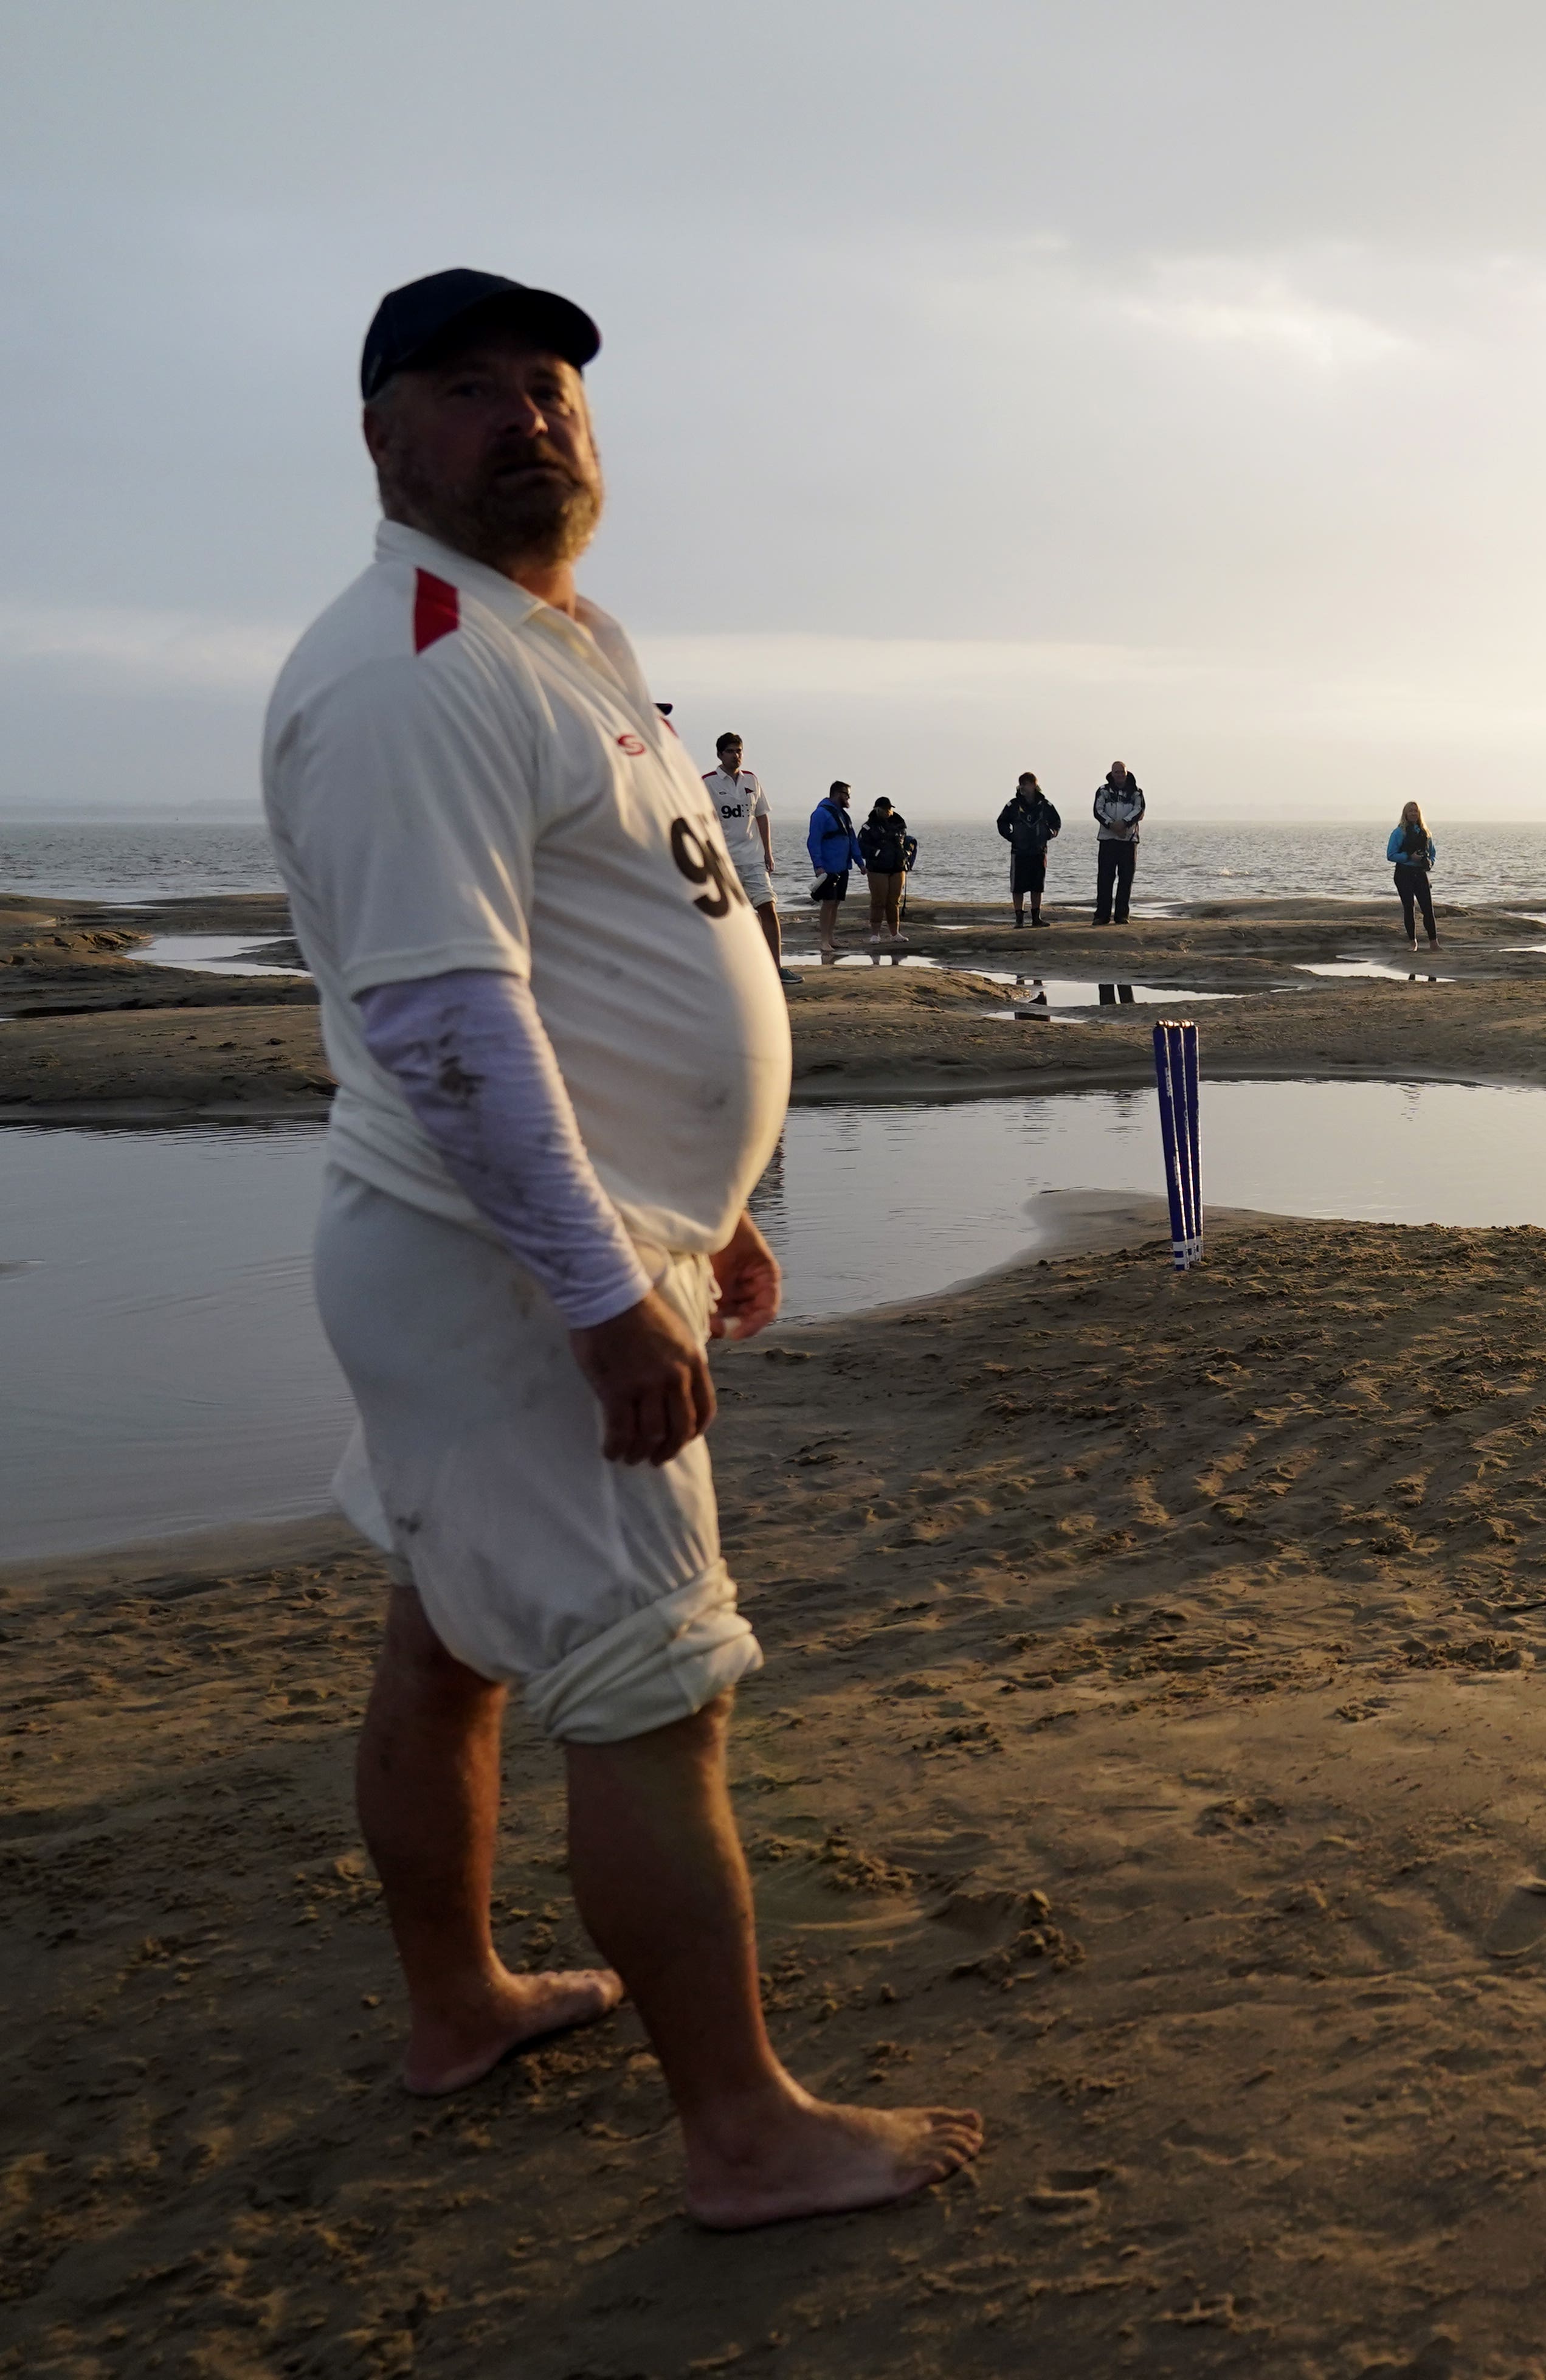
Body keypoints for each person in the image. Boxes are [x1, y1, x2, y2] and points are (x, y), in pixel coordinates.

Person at [263, 266, 979, 2228]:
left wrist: (713, 1203)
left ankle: (459, 2006)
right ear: (382, 438)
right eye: (472, 389)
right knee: (658, 1682)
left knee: (452, 1637)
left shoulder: (556, 639)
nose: (531, 418)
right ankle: (746, 2129)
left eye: (556, 387)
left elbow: (601, 964)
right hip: (502, 1271)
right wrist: (600, 1296)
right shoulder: (416, 664)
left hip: (533, 1245)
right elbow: (445, 1019)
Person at [699, 733, 782, 970]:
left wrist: (768, 852)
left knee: (768, 908)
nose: (736, 756)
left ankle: (775, 967)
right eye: (731, 751)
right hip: (725, 861)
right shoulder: (708, 783)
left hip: (753, 858)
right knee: (728, 916)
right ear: (720, 755)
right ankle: (729, 969)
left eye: (739, 751)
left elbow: (762, 816)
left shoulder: (751, 781)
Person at [802, 779, 859, 963]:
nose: (848, 798)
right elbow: (813, 842)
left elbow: (852, 840)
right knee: (828, 903)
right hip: (827, 868)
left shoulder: (844, 816)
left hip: (843, 866)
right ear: (837, 794)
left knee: (836, 903)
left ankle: (832, 938)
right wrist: (818, 866)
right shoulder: (820, 814)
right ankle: (824, 940)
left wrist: (860, 862)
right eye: (846, 795)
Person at [995, 772, 1060, 927]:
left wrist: (1049, 834)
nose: (1023, 787)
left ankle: (1036, 918)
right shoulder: (1013, 805)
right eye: (1021, 784)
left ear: (1034, 785)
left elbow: (1056, 823)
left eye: (1026, 783)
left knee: (1038, 886)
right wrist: (1012, 836)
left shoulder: (1045, 805)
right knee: (1018, 887)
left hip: (1039, 851)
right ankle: (1019, 919)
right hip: (1020, 851)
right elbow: (1001, 822)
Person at [1089, 761, 1145, 925]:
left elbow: (1139, 810)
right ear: (1112, 774)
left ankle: (1122, 915)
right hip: (1108, 840)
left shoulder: (1136, 792)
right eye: (1116, 772)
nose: (1119, 775)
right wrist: (1111, 824)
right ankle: (1102, 915)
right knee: (1105, 879)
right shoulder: (1103, 791)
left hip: (1129, 841)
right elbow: (1098, 810)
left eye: (1122, 772)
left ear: (1126, 773)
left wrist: (1125, 823)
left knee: (1126, 879)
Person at [858, 794, 913, 945]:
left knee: (894, 901)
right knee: (878, 901)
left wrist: (907, 854)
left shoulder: (899, 824)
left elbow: (906, 841)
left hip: (898, 867)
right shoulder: (869, 827)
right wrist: (877, 853)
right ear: (878, 810)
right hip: (878, 869)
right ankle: (875, 934)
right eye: (885, 809)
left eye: (890, 809)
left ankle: (895, 933)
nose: (888, 811)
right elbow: (862, 847)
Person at [1389, 800, 1439, 949]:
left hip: (1420, 873)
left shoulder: (1425, 832)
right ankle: (1413, 943)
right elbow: (1391, 854)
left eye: (1415, 811)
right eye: (1410, 811)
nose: (1413, 814)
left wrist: (1429, 861)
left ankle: (1434, 943)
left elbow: (1433, 854)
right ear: (1405, 813)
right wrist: (1409, 857)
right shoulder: (1399, 832)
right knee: (1409, 908)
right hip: (1404, 873)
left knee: (1428, 909)